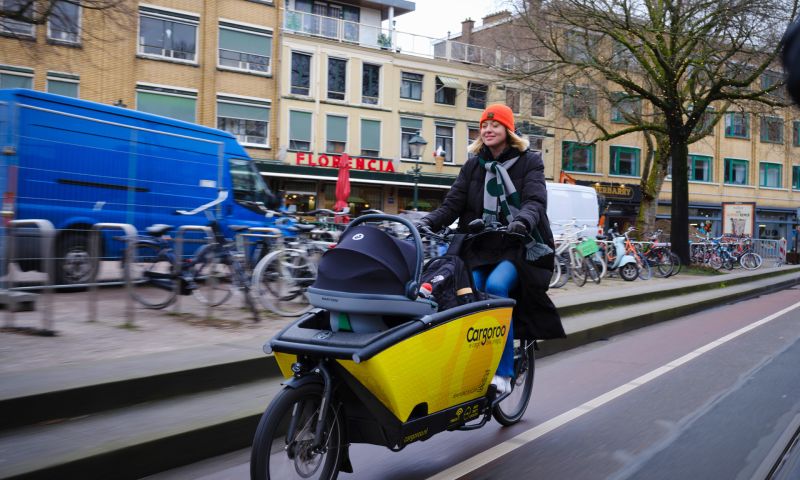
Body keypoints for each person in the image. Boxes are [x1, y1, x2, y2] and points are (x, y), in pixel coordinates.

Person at [416, 103, 565, 395]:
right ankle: (476, 364)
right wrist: (427, 222)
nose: (487, 130)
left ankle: (504, 374)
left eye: (494, 125)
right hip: (479, 244)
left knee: (496, 286)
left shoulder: (529, 161)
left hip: (517, 243)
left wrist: (522, 221)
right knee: (472, 295)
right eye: (484, 125)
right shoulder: (473, 165)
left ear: (508, 130)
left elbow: (535, 200)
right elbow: (453, 204)